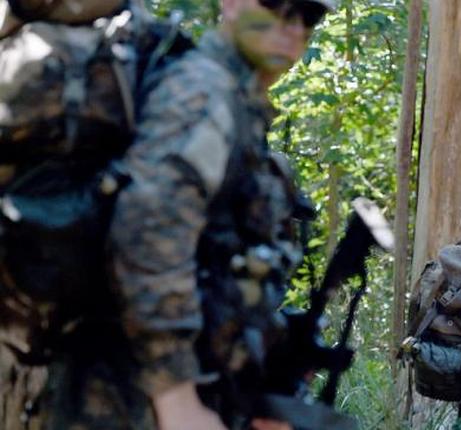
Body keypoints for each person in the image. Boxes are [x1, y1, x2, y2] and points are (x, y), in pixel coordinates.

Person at [25, 0, 335, 429]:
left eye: (308, 16)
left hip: (179, 385)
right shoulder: (204, 93)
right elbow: (147, 230)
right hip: (129, 393)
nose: (292, 28)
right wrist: (175, 397)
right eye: (277, 6)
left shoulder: (236, 100)